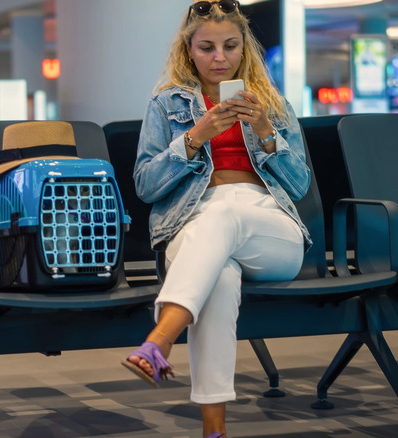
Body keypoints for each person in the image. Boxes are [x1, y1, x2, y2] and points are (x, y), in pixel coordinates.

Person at [121, 1, 312, 437]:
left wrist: (266, 132)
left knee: (226, 211)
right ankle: (214, 430)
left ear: (245, 47)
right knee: (219, 279)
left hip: (269, 227)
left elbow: (299, 185)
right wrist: (193, 139)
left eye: (230, 46)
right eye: (207, 47)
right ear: (189, 50)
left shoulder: (272, 104)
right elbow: (147, 187)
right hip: (193, 220)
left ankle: (160, 339)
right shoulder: (166, 104)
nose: (220, 57)